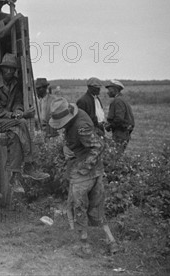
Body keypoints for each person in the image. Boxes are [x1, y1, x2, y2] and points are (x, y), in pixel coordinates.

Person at [48, 97, 119, 255]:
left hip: (84, 175)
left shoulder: (80, 126)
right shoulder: (78, 115)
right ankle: (111, 242)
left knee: (79, 208)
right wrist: (67, 147)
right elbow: (80, 142)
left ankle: (85, 246)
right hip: (96, 172)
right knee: (97, 208)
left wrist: (83, 167)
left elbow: (98, 146)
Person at [0, 53, 48, 194]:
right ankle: (29, 164)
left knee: (15, 136)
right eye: (6, 69)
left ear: (15, 70)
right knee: (21, 123)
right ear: (2, 69)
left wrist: (18, 111)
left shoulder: (15, 83)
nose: (9, 71)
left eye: (12, 69)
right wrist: (17, 115)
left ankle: (14, 177)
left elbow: (18, 103)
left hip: (11, 123)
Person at [105, 80, 135, 153]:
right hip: (124, 132)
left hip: (120, 133)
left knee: (115, 156)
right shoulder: (122, 100)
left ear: (115, 90)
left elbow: (119, 119)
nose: (107, 92)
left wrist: (109, 126)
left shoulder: (118, 101)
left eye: (109, 89)